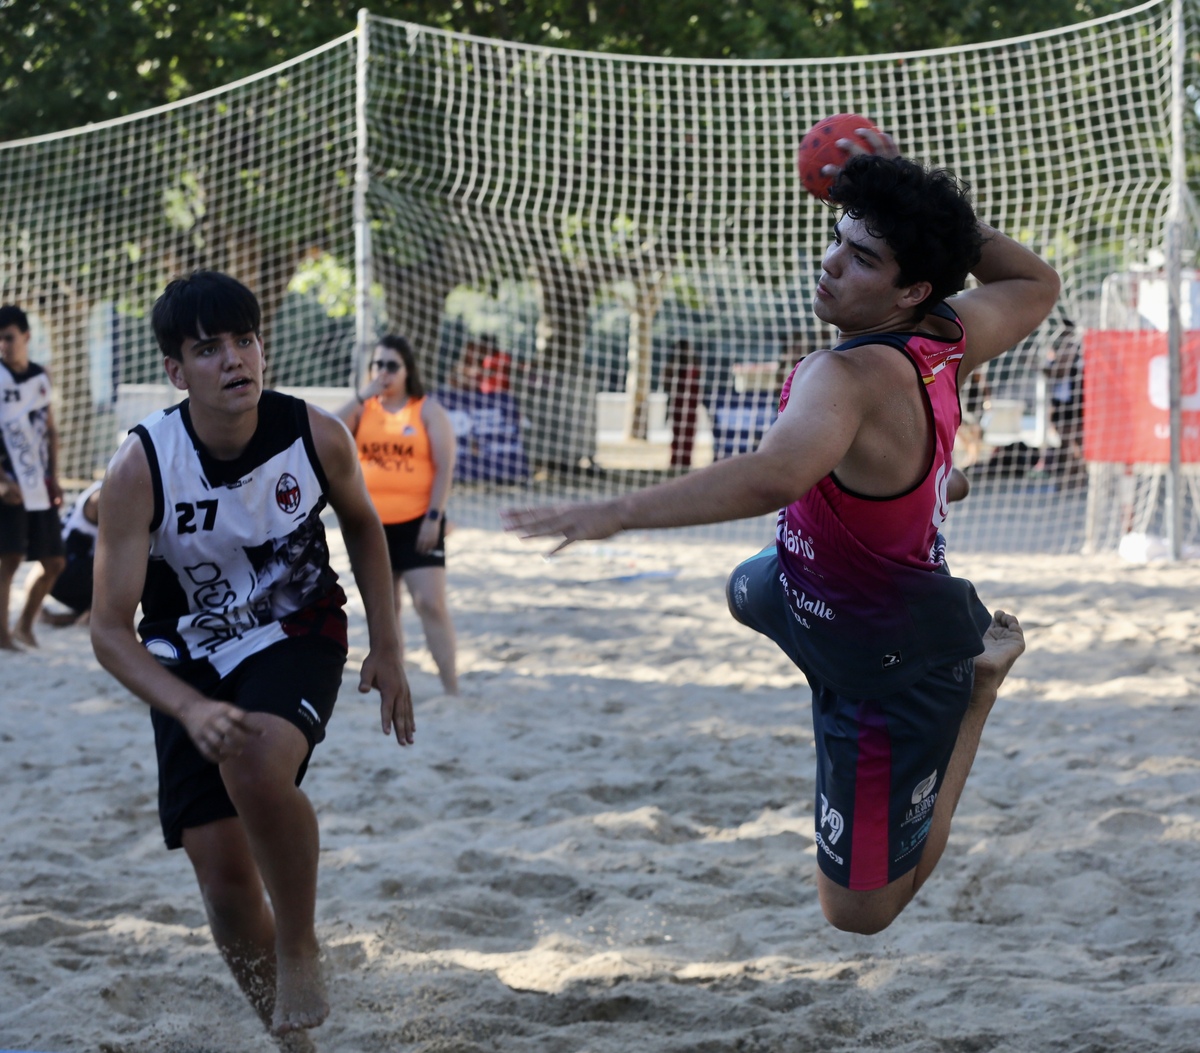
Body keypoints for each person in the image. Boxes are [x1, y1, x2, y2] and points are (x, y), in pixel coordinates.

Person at [504, 132, 1059, 935]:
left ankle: (980, 684)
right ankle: (935, 487)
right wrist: (913, 202)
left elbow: (771, 476)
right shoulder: (948, 334)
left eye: (865, 257)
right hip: (799, 586)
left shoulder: (848, 375)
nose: (832, 262)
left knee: (858, 913)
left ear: (914, 291)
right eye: (838, 240)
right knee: (747, 587)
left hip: (886, 656)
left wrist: (613, 512)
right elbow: (1034, 280)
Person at [90, 271, 414, 1043]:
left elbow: (366, 527)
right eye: (209, 348)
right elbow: (108, 629)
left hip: (294, 627)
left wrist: (390, 646)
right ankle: (291, 1039)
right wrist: (188, 705)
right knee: (226, 883)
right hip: (187, 660)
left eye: (246, 339)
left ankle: (301, 941)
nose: (236, 359)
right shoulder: (140, 466)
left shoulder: (315, 434)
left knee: (255, 761)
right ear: (176, 370)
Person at [336, 334, 459, 695]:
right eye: (377, 364)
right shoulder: (364, 408)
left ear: (407, 371)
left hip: (419, 522)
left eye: (392, 365)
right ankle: (396, 686)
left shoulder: (425, 410)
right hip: (372, 526)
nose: (384, 372)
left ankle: (451, 688)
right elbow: (327, 428)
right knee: (387, 614)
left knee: (430, 603)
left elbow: (444, 466)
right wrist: (363, 393)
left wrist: (434, 518)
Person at [0, 304, 65, 650]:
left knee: (54, 561)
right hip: (8, 485)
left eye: (8, 338)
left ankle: (25, 625)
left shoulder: (41, 377)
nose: (3, 345)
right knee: (8, 558)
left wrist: (54, 478)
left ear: (26, 336)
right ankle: (2, 637)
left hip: (38, 484)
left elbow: (50, 430)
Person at [42, 479, 102, 627]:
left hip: (52, 574)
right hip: (65, 574)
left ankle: (79, 616)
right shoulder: (103, 497)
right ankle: (92, 615)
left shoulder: (101, 487)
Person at [664, 338, 703, 470]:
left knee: (689, 433)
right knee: (678, 433)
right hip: (678, 404)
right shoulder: (673, 366)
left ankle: (686, 461)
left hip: (691, 404)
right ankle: (676, 461)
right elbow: (666, 384)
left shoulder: (694, 365)